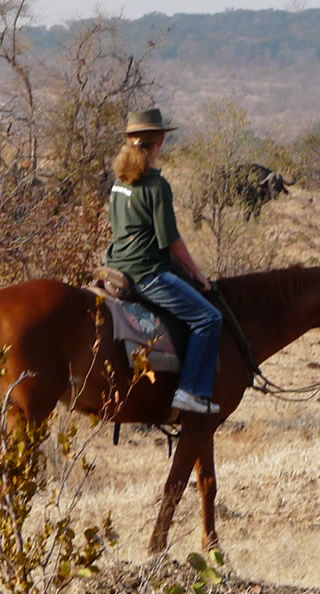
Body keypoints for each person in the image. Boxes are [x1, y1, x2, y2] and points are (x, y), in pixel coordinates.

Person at [105, 108, 223, 414]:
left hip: (115, 268)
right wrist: (197, 273)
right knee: (209, 319)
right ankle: (190, 391)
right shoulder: (157, 186)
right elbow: (170, 242)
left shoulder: (119, 181)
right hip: (147, 274)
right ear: (159, 142)